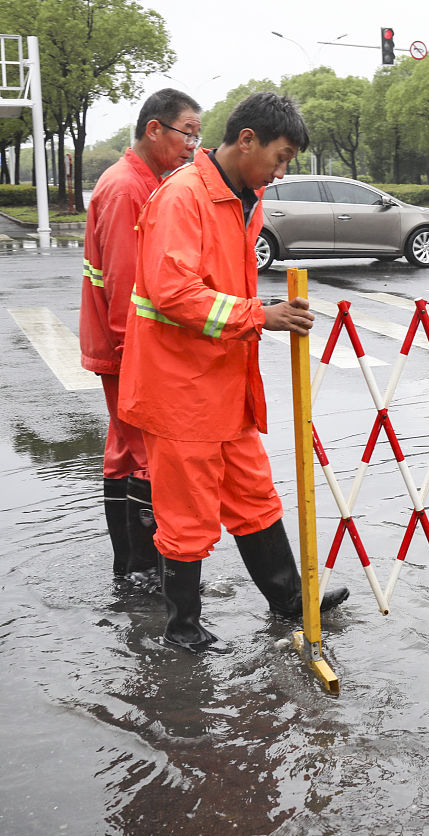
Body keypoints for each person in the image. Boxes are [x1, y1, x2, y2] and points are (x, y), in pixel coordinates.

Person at [119, 92, 348, 653]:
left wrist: (257, 315)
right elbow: (173, 292)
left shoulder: (247, 197)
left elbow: (219, 282)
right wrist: (259, 316)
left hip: (224, 381)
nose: (282, 169)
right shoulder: (184, 197)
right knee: (188, 514)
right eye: (282, 155)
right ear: (247, 139)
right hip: (180, 389)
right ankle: (183, 629)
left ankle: (289, 598)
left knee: (252, 493)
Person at [81, 88, 202, 588]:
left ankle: (133, 569)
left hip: (120, 349)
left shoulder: (143, 180)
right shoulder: (128, 188)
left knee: (126, 452)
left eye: (198, 135)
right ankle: (146, 571)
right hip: (127, 349)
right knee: (147, 458)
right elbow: (127, 288)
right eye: (187, 133)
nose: (193, 145)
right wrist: (141, 363)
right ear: (155, 129)